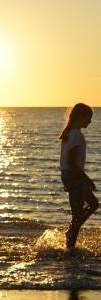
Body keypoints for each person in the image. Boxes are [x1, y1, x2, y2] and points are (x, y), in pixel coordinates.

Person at [59, 103, 99, 249]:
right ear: (81, 117)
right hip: (74, 176)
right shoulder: (76, 135)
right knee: (90, 206)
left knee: (82, 211)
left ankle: (70, 244)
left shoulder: (70, 133)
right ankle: (70, 242)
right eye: (89, 118)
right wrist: (86, 179)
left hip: (69, 176)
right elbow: (71, 161)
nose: (90, 121)